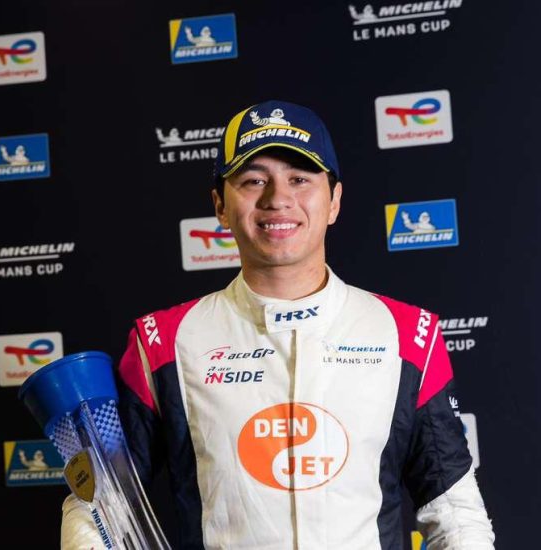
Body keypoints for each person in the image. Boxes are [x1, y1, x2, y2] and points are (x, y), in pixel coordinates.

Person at [61, 100, 495, 549]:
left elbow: (455, 514)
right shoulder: (162, 342)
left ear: (334, 201)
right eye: (254, 180)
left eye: (300, 179)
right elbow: (96, 506)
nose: (277, 199)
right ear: (220, 205)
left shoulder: (407, 336)